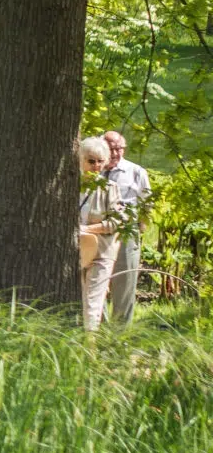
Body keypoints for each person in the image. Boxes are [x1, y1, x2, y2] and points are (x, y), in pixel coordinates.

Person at [78, 135, 130, 330]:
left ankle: (89, 345)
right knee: (76, 298)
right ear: (81, 159)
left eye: (100, 161)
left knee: (93, 302)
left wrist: (87, 229)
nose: (96, 166)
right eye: (91, 161)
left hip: (101, 252)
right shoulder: (69, 186)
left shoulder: (110, 188)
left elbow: (117, 221)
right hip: (75, 250)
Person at [100, 131, 150, 325]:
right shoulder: (93, 168)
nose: (115, 153)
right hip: (98, 232)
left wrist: (139, 229)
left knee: (125, 282)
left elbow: (147, 204)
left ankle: (121, 333)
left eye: (119, 148)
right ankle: (99, 330)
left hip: (126, 232)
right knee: (98, 282)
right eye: (111, 149)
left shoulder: (136, 172)